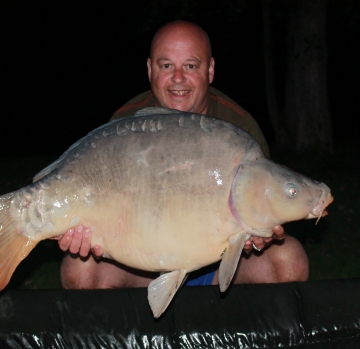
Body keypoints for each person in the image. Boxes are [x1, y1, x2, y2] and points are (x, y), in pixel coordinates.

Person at [58, 21, 309, 289]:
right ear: (149, 69)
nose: (178, 78)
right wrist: (84, 232)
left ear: (210, 70)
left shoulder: (239, 128)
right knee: (80, 268)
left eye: (190, 66)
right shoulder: (125, 124)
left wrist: (259, 235)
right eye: (166, 66)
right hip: (144, 264)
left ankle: (225, 325)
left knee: (289, 260)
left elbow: (263, 205)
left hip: (218, 262)